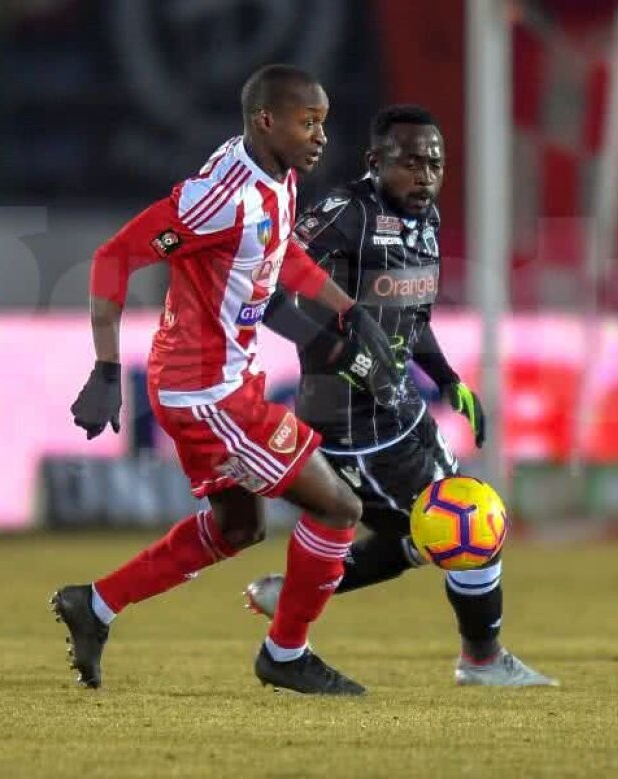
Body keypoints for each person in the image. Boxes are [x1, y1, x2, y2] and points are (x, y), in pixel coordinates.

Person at [52, 64, 403, 696]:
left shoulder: (279, 177)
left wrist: (348, 311)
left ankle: (95, 604)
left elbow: (278, 253)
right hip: (206, 393)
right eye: (308, 122)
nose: (321, 136)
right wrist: (106, 367)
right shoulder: (217, 198)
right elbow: (115, 256)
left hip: (224, 381)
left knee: (239, 527)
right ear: (266, 120)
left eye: (323, 122)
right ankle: (286, 654)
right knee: (339, 508)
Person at [244, 105, 557, 687]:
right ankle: (482, 660)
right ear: (374, 161)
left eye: (434, 164)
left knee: (429, 533)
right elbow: (264, 291)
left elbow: (411, 318)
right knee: (468, 524)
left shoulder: (424, 217)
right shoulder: (344, 215)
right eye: (410, 162)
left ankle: (298, 592)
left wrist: (446, 379)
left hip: (404, 412)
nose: (424, 175)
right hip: (354, 426)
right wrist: (334, 349)